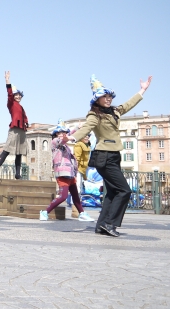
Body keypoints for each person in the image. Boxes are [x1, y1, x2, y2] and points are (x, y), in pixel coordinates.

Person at [69, 74, 152, 237]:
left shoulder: (114, 111)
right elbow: (87, 128)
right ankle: (110, 223)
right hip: (103, 156)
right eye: (104, 96)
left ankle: (101, 225)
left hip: (114, 156)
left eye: (109, 96)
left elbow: (128, 104)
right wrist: (72, 137)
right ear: (97, 99)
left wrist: (142, 90)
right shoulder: (94, 115)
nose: (108, 99)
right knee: (124, 190)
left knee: (113, 192)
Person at [40, 120, 94, 221]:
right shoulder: (55, 141)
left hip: (70, 173)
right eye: (60, 132)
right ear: (56, 133)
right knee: (63, 196)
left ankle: (82, 213)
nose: (62, 134)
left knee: (75, 195)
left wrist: (77, 128)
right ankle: (45, 212)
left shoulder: (66, 146)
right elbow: (63, 140)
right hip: (62, 173)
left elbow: (67, 137)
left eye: (64, 132)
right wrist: (72, 132)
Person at [0, 71, 28, 179]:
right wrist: (7, 80)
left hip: (22, 130)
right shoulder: (11, 103)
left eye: (19, 95)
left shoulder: (21, 107)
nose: (18, 96)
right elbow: (9, 94)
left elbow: (24, 119)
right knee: (7, 150)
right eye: (16, 95)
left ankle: (17, 174)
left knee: (19, 152)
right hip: (14, 130)